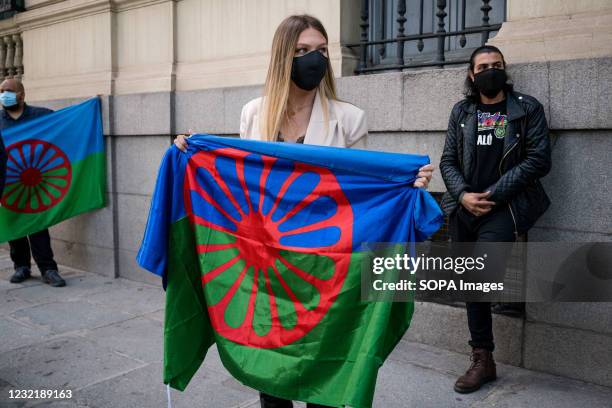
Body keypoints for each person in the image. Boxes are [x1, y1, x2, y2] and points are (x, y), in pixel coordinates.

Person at [175, 14, 434, 408]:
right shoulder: (253, 113)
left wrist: (405, 185)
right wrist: (192, 153)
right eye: (302, 51)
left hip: (323, 266)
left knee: (323, 372)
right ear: (283, 56)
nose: (314, 59)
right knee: (272, 374)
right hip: (267, 265)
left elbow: (362, 191)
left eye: (321, 51)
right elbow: (244, 183)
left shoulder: (349, 119)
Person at [439, 45, 551, 393]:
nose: (491, 70)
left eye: (497, 65)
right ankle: (482, 357)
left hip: (504, 208)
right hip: (465, 208)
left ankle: (482, 357)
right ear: (472, 75)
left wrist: (492, 194)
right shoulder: (462, 111)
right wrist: (461, 195)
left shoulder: (526, 109)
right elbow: (447, 161)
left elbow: (538, 159)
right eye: (484, 66)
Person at [0, 78, 66, 287]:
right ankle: (21, 267)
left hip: (36, 183)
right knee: (15, 227)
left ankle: (48, 269)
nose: (3, 94)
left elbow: (65, 123)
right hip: (9, 184)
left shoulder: (40, 116)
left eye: (8, 90)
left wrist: (89, 107)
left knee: (38, 226)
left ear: (21, 95)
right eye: (1, 91)